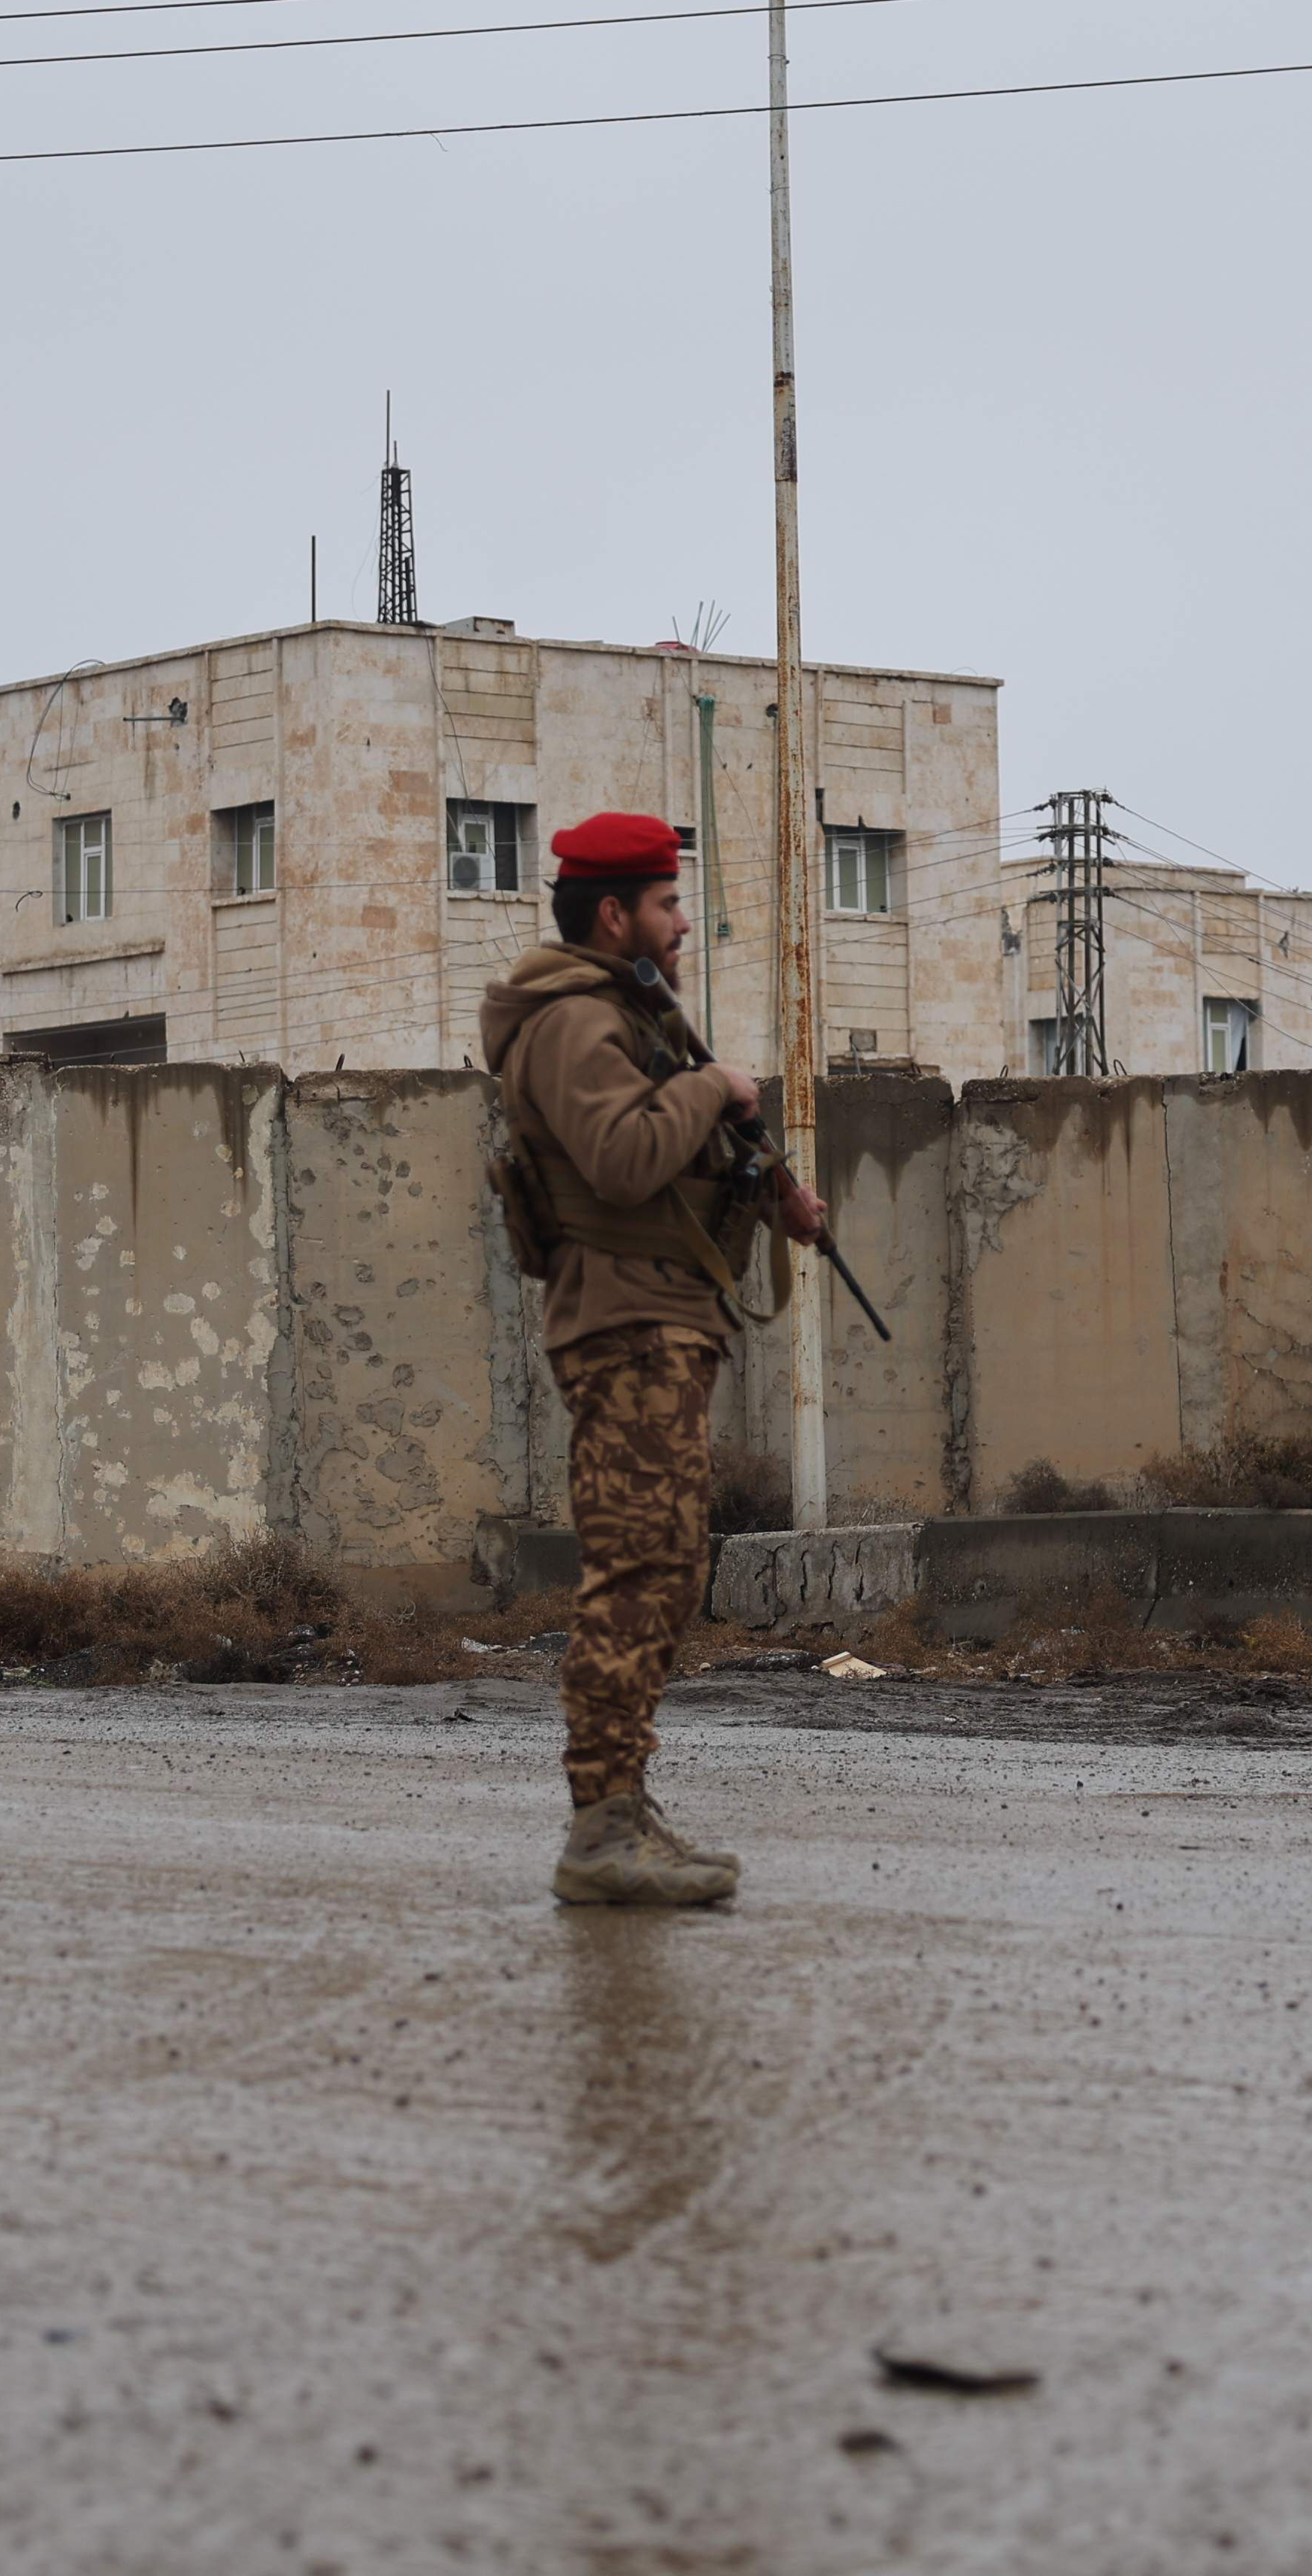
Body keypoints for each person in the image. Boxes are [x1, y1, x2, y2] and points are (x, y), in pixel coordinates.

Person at [476, 811, 829, 1908]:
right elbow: (624, 1160)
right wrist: (714, 1088)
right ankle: (601, 1828)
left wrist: (774, 1195)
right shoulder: (576, 1021)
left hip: (662, 1318)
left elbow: (675, 1163)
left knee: (665, 1569)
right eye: (668, 905)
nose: (682, 924)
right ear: (613, 913)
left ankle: (623, 1807)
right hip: (625, 1326)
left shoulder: (628, 1013)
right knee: (636, 1569)